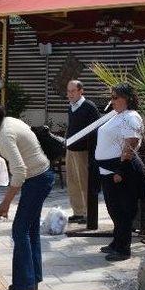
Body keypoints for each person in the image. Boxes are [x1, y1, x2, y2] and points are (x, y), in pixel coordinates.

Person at [0, 97, 54, 290]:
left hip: (37, 179)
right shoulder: (8, 123)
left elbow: (19, 172)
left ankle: (23, 286)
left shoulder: (5, 135)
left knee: (19, 230)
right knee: (29, 228)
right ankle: (31, 279)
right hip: (41, 177)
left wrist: (5, 205)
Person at [94, 83, 145, 262]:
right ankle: (117, 242)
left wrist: (121, 170)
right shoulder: (118, 115)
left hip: (120, 170)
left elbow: (131, 143)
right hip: (108, 169)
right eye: (111, 97)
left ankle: (123, 249)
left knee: (123, 210)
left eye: (115, 97)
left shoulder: (131, 117)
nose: (112, 101)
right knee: (113, 209)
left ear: (127, 98)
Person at [65, 80, 101, 224]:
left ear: (81, 91)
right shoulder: (71, 107)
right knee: (72, 182)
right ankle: (78, 212)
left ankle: (88, 213)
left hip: (83, 151)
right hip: (71, 149)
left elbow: (96, 129)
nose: (70, 94)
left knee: (84, 182)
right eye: (68, 91)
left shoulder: (89, 107)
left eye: (73, 91)